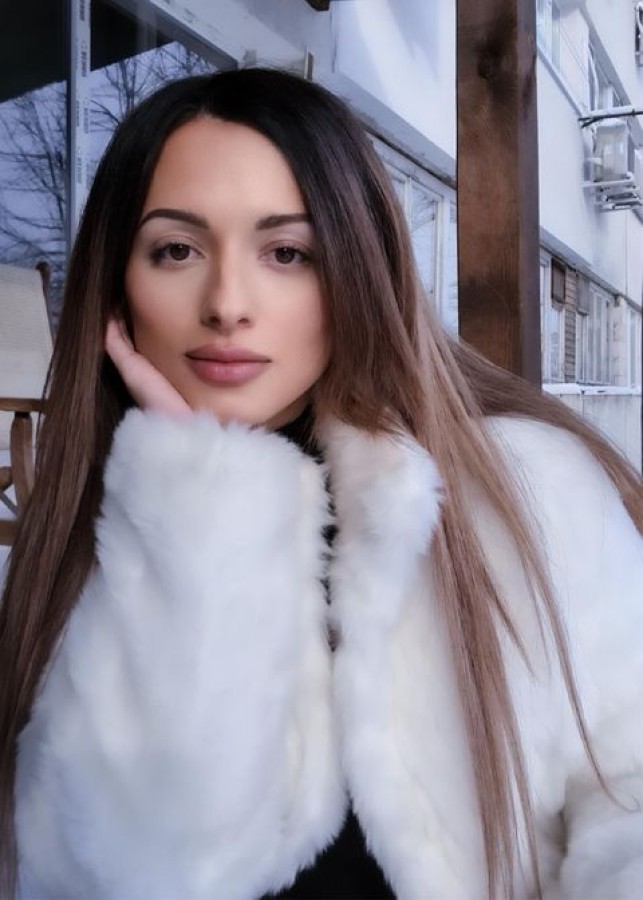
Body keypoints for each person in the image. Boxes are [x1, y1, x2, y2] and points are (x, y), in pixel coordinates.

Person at [0, 67, 642, 900]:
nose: (227, 303)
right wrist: (190, 502)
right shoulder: (86, 537)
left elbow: (628, 791)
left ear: (354, 271)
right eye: (176, 250)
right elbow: (130, 869)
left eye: (286, 253)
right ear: (118, 284)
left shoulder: (524, 491)